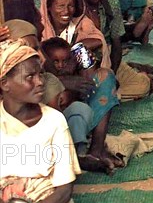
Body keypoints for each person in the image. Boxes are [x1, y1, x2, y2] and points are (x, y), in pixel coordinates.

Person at [0, 40, 92, 203]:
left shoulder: (54, 121)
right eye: (29, 77)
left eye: (39, 74)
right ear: (5, 84)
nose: (40, 82)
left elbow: (63, 190)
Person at [74, 0, 153, 101]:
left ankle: (110, 94)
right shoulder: (74, 6)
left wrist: (112, 74)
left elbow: (117, 43)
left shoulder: (111, 3)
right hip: (81, 67)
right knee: (82, 95)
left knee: (142, 86)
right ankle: (110, 96)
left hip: (108, 60)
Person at [40, 37, 121, 171]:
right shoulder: (43, 78)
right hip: (53, 136)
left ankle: (93, 150)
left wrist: (82, 71)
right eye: (55, 61)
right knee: (77, 109)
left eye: (65, 61)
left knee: (103, 81)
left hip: (76, 124)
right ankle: (77, 156)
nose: (60, 66)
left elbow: (93, 84)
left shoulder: (73, 68)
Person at [39, 0, 110, 70]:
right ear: (48, 7)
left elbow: (98, 39)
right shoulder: (40, 28)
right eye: (60, 6)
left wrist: (70, 49)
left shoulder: (82, 23)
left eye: (71, 6)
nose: (66, 11)